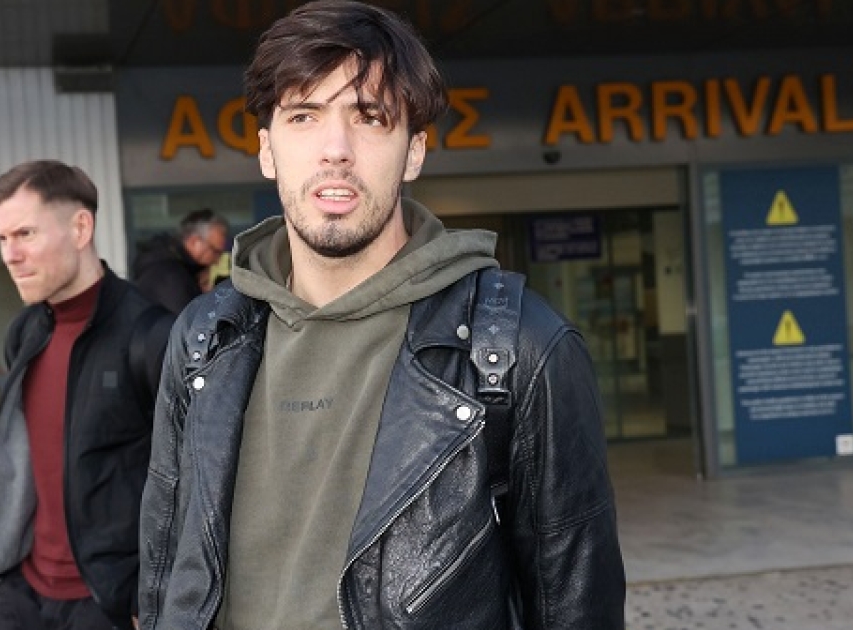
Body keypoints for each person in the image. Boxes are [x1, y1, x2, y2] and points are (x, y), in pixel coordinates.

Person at [137, 2, 625, 629]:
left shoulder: (518, 349)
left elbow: (575, 605)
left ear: (414, 151)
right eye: (304, 116)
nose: (335, 150)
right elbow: (163, 569)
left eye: (369, 117)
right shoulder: (206, 338)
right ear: (266, 150)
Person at [0, 159, 173, 630]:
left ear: (81, 228)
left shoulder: (151, 337)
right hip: (23, 594)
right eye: (2, 238)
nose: (10, 255)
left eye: (25, 234)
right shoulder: (24, 334)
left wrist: (145, 595)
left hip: (105, 604)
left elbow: (189, 481)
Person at [130, 208, 230, 312]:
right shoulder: (170, 277)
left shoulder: (179, 267)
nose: (217, 261)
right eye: (215, 251)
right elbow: (188, 320)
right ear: (194, 241)